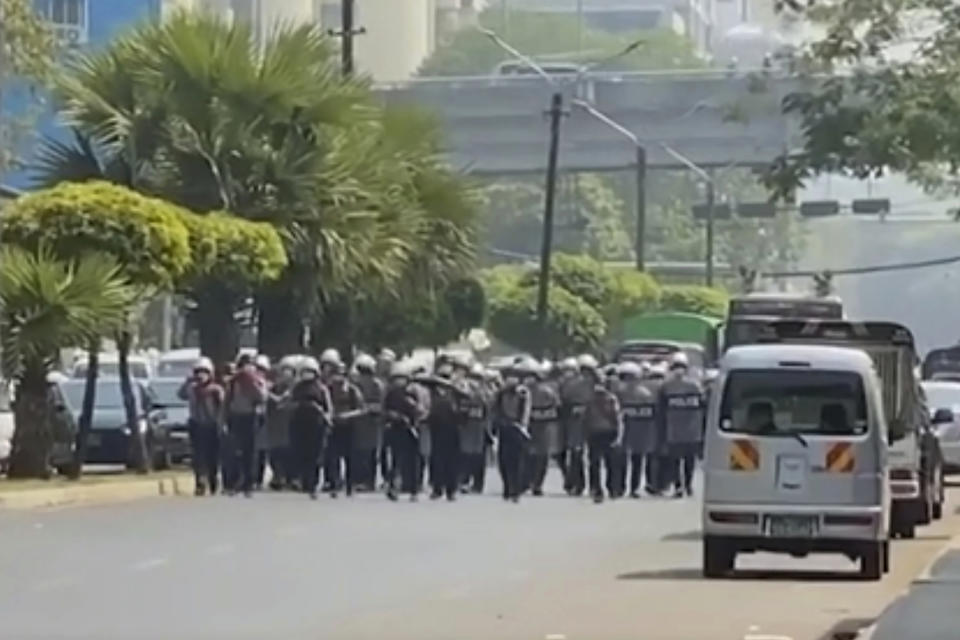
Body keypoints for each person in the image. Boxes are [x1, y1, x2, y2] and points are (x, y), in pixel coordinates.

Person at [657, 352, 705, 498]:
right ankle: (683, 486)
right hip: (685, 432)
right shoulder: (694, 385)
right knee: (681, 462)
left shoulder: (668, 386)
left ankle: (683, 486)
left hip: (681, 432)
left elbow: (660, 411)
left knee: (680, 462)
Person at [224, 353, 268, 497]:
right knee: (245, 452)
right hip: (244, 416)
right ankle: (243, 483)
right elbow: (262, 397)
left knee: (243, 451)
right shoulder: (241, 380)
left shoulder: (241, 380)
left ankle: (243, 483)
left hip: (245, 416)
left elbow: (261, 397)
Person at [288, 357, 332, 499]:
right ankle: (303, 481)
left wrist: (323, 414)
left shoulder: (321, 389)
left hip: (316, 426)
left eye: (310, 372)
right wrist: (301, 405)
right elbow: (289, 404)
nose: (308, 374)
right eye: (305, 371)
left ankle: (313, 484)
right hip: (299, 425)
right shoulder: (297, 388)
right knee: (301, 454)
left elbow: (328, 408)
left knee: (315, 455)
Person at [178, 357, 224, 496]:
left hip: (212, 425)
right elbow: (181, 395)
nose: (201, 375)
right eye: (198, 372)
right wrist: (187, 381)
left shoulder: (216, 390)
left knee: (212, 456)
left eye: (204, 372)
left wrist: (221, 423)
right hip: (196, 425)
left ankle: (213, 479)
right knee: (198, 456)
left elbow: (222, 407)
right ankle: (200, 482)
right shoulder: (191, 389)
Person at [616, 362, 658, 499]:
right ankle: (625, 488)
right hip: (628, 432)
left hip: (634, 432)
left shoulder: (621, 392)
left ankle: (627, 488)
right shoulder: (643, 393)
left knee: (633, 462)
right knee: (629, 462)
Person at [583, 362, 623, 504]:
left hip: (605, 432)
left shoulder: (609, 399)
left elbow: (617, 418)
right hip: (597, 433)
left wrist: (618, 435)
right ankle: (600, 489)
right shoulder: (595, 400)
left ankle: (607, 489)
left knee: (605, 463)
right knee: (598, 463)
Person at [383, 363, 423, 501]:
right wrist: (393, 416)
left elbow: (420, 410)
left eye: (402, 378)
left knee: (412, 461)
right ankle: (393, 487)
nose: (399, 382)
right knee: (395, 460)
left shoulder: (413, 393)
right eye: (396, 379)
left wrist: (414, 416)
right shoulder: (391, 394)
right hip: (395, 429)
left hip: (410, 430)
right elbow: (385, 411)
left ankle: (413, 489)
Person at [492, 362, 531, 502]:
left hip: (518, 429)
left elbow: (526, 411)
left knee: (517, 461)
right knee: (503, 460)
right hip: (504, 428)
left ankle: (516, 489)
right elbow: (495, 410)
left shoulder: (523, 393)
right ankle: (507, 487)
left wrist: (522, 425)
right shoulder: (500, 393)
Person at [427, 358, 465, 501]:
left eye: (446, 377)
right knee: (437, 459)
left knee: (452, 460)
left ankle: (451, 489)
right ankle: (437, 488)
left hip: (453, 428)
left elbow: (466, 403)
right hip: (436, 428)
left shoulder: (456, 391)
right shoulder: (432, 391)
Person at [326, 359, 365, 497]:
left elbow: (361, 409)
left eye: (341, 374)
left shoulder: (353, 390)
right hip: (333, 425)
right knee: (332, 458)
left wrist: (347, 415)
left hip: (349, 426)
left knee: (350, 458)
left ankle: (349, 486)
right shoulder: (328, 389)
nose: (338, 377)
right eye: (336, 374)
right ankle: (334, 485)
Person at [560, 355, 594, 496]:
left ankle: (578, 484)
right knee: (579, 454)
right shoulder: (572, 383)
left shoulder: (569, 383)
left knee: (578, 453)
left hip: (586, 420)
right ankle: (579, 484)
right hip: (581, 421)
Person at [527, 361, 562, 496]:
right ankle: (536, 483)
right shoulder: (549, 390)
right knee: (540, 456)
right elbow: (558, 406)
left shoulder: (530, 389)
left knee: (535, 456)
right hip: (543, 424)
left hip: (537, 424)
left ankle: (533, 483)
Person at [352, 353, 385, 491]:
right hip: (357, 423)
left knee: (370, 453)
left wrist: (370, 408)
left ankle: (369, 481)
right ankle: (357, 480)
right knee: (357, 453)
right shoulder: (354, 385)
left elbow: (381, 404)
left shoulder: (377, 385)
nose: (364, 375)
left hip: (372, 423)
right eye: (361, 371)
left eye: (366, 371)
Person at [265, 356, 298, 490]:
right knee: (275, 453)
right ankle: (278, 477)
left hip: (292, 425)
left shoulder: (297, 388)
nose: (286, 374)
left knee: (291, 454)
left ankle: (293, 478)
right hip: (276, 426)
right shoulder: (273, 388)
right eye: (284, 370)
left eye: (289, 371)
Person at [458, 363, 490, 494]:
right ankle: (463, 481)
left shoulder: (486, 392)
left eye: (477, 378)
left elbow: (489, 408)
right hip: (466, 427)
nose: (474, 381)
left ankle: (478, 484)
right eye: (472, 377)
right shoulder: (462, 390)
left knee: (479, 458)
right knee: (464, 455)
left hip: (480, 428)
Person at [253, 354, 272, 489]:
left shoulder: (268, 385)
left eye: (262, 369)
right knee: (252, 449)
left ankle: (259, 479)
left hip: (264, 417)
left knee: (262, 450)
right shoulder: (249, 382)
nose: (259, 372)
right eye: (257, 368)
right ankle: (251, 478)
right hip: (251, 416)